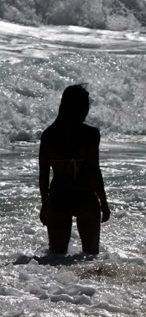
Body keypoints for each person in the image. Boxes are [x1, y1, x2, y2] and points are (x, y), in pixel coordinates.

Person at [39, 84, 110, 256]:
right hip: (85, 198)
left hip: (58, 198)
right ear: (80, 107)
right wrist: (104, 202)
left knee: (55, 260)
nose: (87, 109)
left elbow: (43, 175)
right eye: (86, 105)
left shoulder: (49, 135)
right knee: (91, 258)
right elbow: (94, 170)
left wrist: (45, 205)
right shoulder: (91, 134)